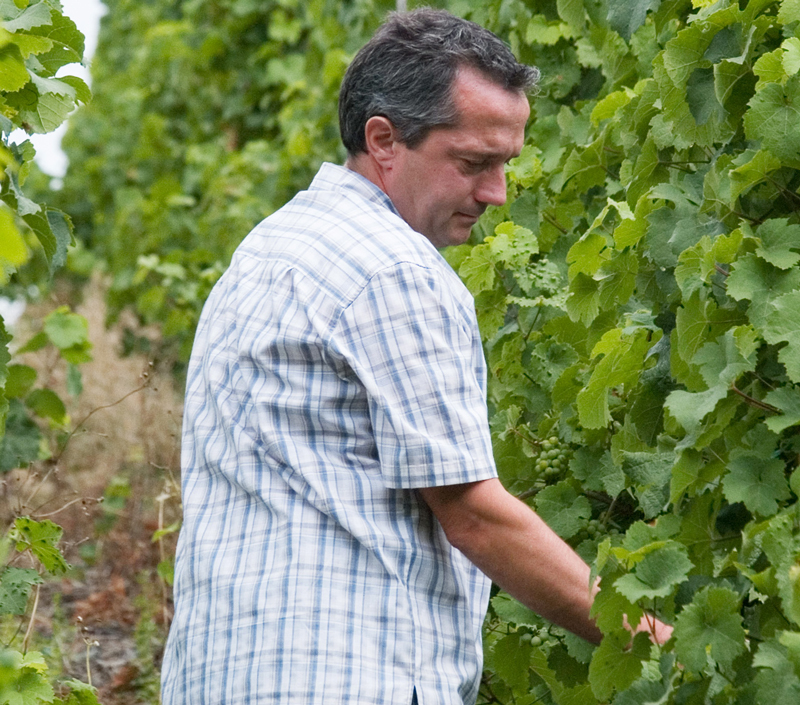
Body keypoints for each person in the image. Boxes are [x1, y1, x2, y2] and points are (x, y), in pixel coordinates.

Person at [161, 9, 670, 705]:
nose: (496, 192)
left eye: (505, 165)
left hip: (227, 671)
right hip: (341, 677)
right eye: (473, 162)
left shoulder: (268, 250)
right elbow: (475, 516)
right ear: (384, 139)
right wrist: (659, 645)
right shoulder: (392, 268)